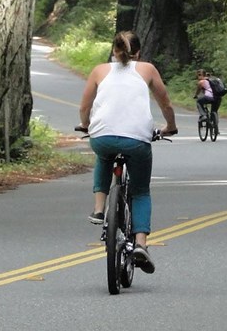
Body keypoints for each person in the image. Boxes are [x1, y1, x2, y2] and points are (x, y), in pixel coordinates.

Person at [78, 30, 178, 274]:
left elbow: (85, 106)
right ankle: (141, 244)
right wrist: (170, 127)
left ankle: (100, 209)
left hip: (103, 136)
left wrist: (86, 125)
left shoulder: (99, 70)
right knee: (141, 191)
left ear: (114, 50)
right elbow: (165, 103)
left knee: (104, 154)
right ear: (139, 52)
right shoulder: (147, 69)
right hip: (137, 140)